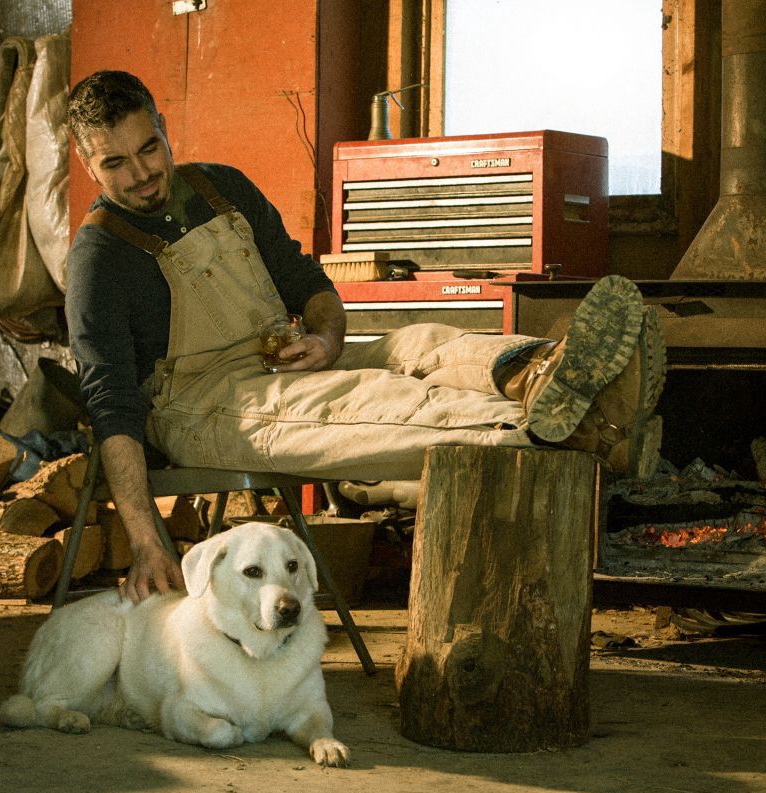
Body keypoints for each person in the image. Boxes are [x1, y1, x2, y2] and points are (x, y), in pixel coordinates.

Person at [65, 70, 666, 604]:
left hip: (281, 355)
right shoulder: (98, 258)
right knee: (368, 403)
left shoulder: (222, 188)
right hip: (201, 402)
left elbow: (308, 282)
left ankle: (544, 372)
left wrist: (326, 341)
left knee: (421, 343)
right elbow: (112, 407)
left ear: (165, 128)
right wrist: (148, 541)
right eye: (115, 164)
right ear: (87, 163)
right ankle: (579, 430)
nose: (142, 173)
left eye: (149, 148)